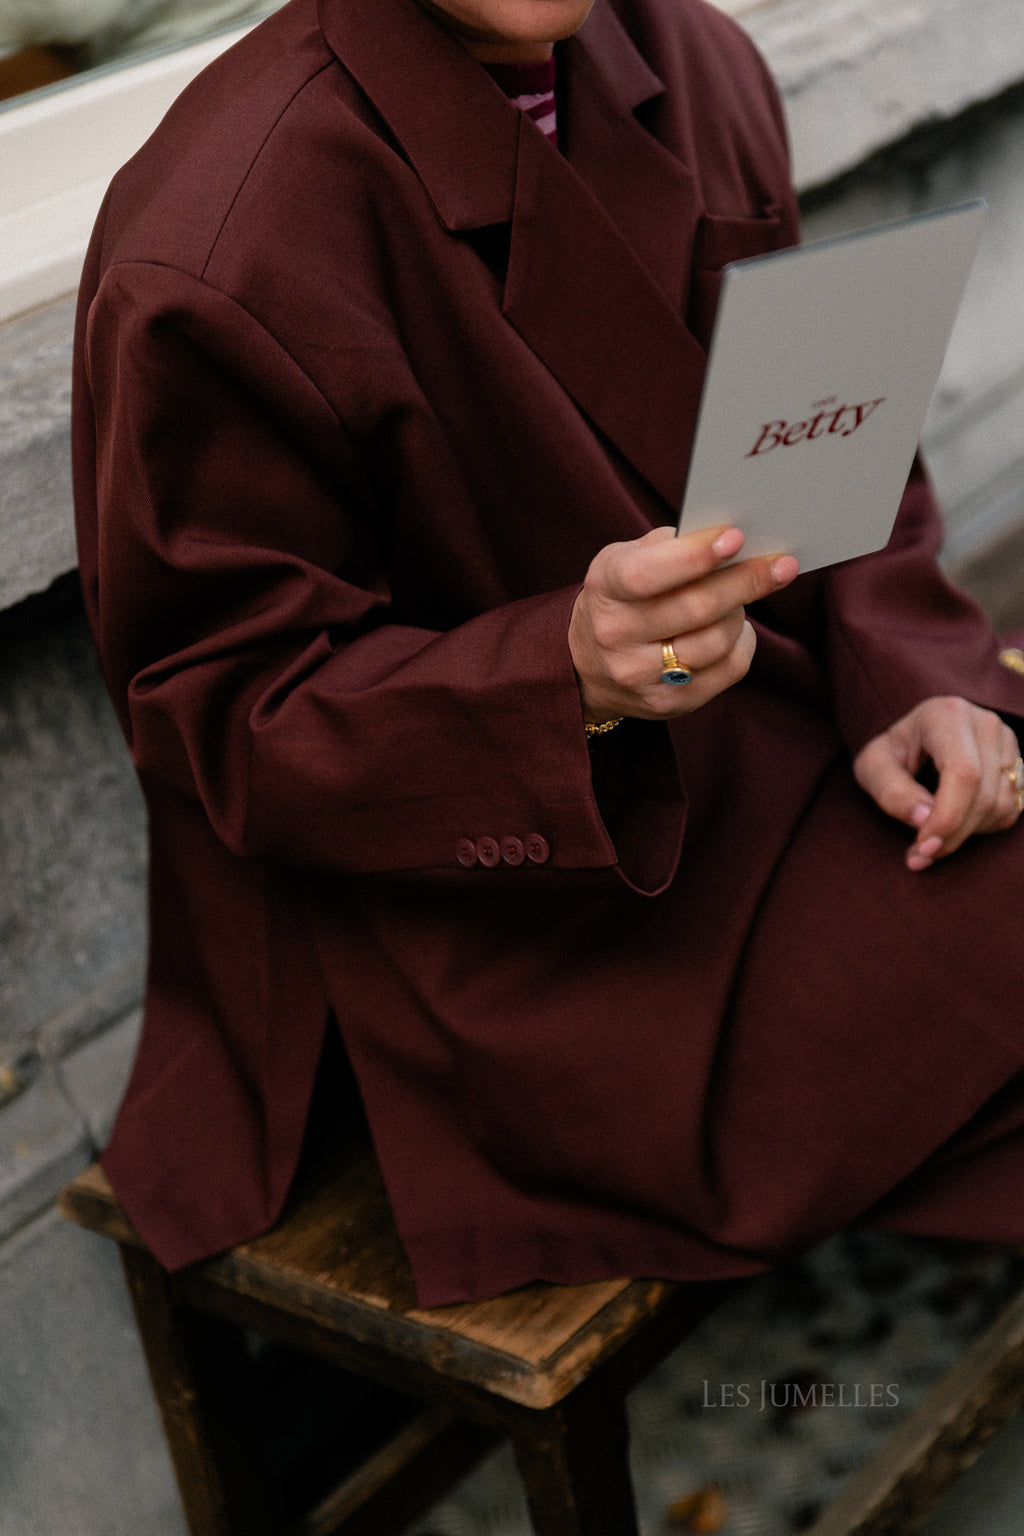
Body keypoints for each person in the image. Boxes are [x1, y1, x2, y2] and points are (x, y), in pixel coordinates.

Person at [72, 0, 1024, 1308]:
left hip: (792, 755)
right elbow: (230, 723)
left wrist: (911, 676)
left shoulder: (692, 56)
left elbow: (814, 435)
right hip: (524, 939)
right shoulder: (220, 235)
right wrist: (560, 674)